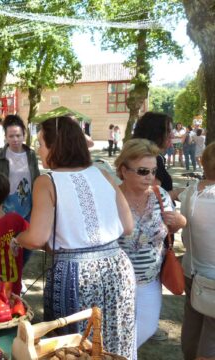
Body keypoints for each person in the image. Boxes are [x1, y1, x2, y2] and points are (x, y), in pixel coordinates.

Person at [16, 116, 136, 359]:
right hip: (117, 268)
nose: (38, 149)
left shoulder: (46, 181)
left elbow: (37, 238)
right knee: (113, 345)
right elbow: (128, 226)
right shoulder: (103, 173)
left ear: (56, 146)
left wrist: (18, 238)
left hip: (75, 275)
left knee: (74, 348)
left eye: (41, 143)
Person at [115, 139, 186, 348]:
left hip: (149, 281)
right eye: (143, 171)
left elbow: (170, 228)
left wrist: (180, 223)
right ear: (124, 170)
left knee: (146, 328)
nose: (150, 177)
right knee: (117, 333)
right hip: (116, 283)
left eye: (153, 171)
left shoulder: (160, 195)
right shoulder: (111, 196)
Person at [179, 142, 215, 360]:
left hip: (192, 271)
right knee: (211, 339)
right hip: (211, 276)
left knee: (192, 324)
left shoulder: (191, 191)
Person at [0, 114, 39, 220]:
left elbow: (36, 180)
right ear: (6, 137)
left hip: (29, 208)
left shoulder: (31, 155)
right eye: (11, 136)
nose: (15, 139)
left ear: (24, 135)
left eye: (18, 135)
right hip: (5, 208)